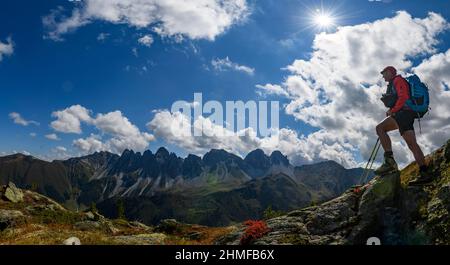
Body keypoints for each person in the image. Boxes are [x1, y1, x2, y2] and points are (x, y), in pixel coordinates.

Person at [375, 66, 432, 185]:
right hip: (407, 114)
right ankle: (425, 173)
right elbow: (401, 98)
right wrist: (392, 109)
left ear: (390, 72)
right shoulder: (395, 82)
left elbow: (404, 96)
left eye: (384, 73)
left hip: (402, 114)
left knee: (380, 128)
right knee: (412, 144)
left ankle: (389, 162)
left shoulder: (397, 80)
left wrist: (393, 110)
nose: (383, 76)